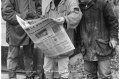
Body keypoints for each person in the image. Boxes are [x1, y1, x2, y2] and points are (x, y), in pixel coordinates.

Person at [76, 0, 118, 79]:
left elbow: (113, 22)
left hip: (102, 47)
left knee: (105, 75)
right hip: (86, 48)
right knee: (90, 75)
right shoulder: (78, 7)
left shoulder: (103, 3)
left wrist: (114, 37)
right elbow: (77, 28)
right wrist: (79, 44)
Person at [2, 0, 41, 79]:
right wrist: (24, 15)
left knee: (29, 54)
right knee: (13, 55)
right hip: (15, 29)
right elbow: (6, 13)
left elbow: (39, 8)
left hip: (29, 28)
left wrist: (36, 16)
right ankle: (12, 76)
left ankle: (29, 76)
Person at [43, 0, 82, 79]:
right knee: (47, 70)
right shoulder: (49, 5)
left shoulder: (71, 2)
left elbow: (77, 15)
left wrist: (65, 19)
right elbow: (44, 19)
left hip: (63, 44)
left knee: (63, 71)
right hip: (50, 44)